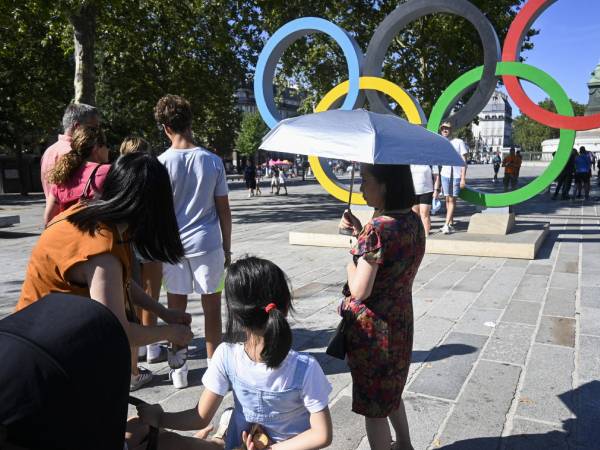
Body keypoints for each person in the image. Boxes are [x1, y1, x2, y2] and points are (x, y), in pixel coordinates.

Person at [17, 153, 194, 392]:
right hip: (42, 360)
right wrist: (172, 333)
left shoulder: (89, 215)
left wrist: (163, 312)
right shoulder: (101, 249)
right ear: (151, 210)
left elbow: (122, 284)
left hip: (38, 340)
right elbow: (117, 331)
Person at [134, 257, 333, 450]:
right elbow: (321, 435)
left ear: (237, 316)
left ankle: (221, 434)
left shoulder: (226, 355)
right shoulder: (306, 368)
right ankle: (221, 433)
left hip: (239, 445)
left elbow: (199, 417)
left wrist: (160, 418)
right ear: (286, 307)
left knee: (166, 441)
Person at [339, 164, 426, 450]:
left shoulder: (377, 229)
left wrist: (351, 252)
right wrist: (360, 234)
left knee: (373, 407)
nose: (362, 187)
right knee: (392, 391)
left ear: (385, 184)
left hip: (373, 331)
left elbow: (360, 290)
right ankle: (404, 444)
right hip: (401, 321)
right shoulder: (413, 221)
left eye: (366, 180)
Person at [155, 94, 232, 389]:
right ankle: (214, 368)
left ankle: (179, 370)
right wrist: (227, 247)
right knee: (212, 307)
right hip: (207, 243)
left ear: (165, 127)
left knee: (176, 308)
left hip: (172, 246)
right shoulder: (212, 161)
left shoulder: (159, 164)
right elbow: (223, 210)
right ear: (189, 122)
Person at [119, 135, 166, 365]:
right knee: (151, 295)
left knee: (131, 295)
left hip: (126, 242)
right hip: (151, 240)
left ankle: (136, 348)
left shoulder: (118, 178)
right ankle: (153, 347)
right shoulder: (152, 174)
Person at [43, 125, 111, 226]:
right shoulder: (106, 171)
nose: (109, 149)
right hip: (95, 238)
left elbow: (48, 220)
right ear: (96, 147)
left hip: (68, 238)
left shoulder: (62, 177)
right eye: (107, 145)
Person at [41, 103, 100, 198]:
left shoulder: (49, 151)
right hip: (72, 211)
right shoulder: (75, 151)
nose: (97, 133)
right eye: (93, 128)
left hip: (54, 210)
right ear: (77, 126)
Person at [434, 121, 468, 234]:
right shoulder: (442, 142)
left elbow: (464, 161)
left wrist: (463, 177)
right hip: (445, 174)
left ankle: (446, 224)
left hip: (456, 175)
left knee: (452, 199)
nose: (445, 130)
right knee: (447, 200)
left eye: (447, 128)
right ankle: (449, 222)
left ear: (451, 130)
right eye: (443, 128)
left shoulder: (459, 142)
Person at [410, 165, 437, 235]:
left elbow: (436, 177)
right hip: (413, 191)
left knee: (424, 213)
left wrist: (436, 190)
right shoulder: (410, 161)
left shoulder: (430, 162)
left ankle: (426, 235)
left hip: (427, 191)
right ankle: (417, 234)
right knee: (415, 215)